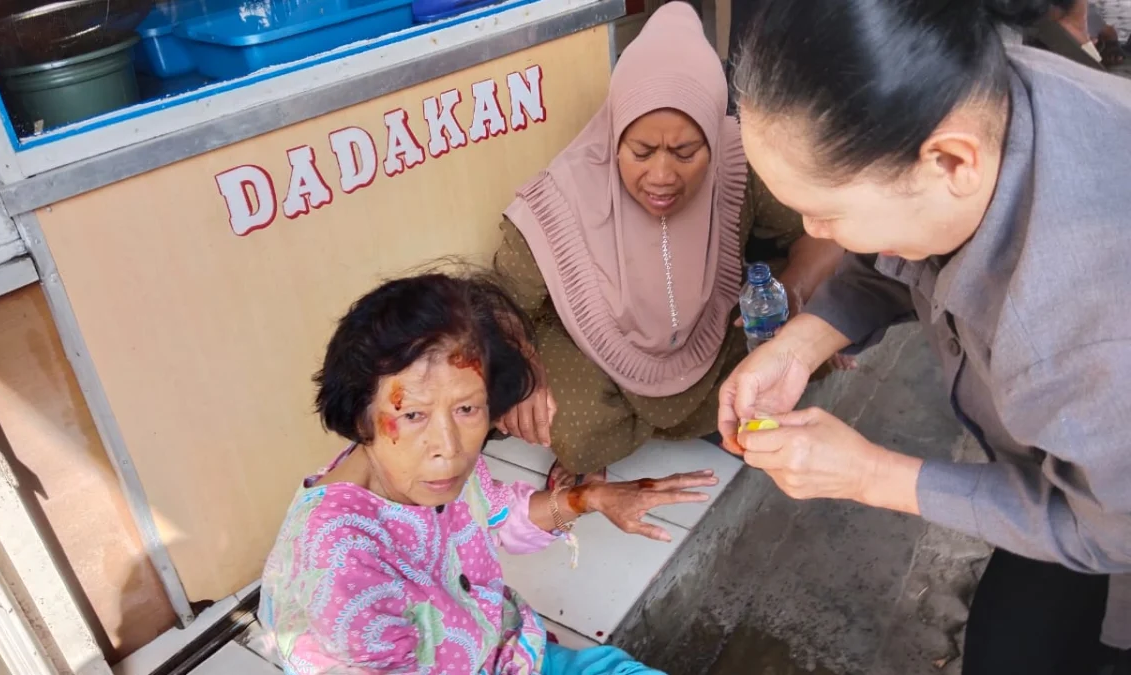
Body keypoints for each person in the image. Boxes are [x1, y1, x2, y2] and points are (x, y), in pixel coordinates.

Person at [719, 0, 1131, 672]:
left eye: (824, 212)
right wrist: (800, 343)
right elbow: (905, 247)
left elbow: (1108, 527)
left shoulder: (1077, 326)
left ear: (949, 159)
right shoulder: (983, 94)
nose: (812, 234)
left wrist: (868, 474)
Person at [259, 272, 717, 673]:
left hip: (502, 647)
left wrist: (591, 499)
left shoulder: (424, 474)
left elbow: (499, 516)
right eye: (414, 415)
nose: (449, 448)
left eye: (466, 408)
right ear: (359, 415)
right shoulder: (341, 561)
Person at [492, 2, 845, 489]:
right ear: (614, 135)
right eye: (640, 152)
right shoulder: (559, 199)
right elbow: (499, 306)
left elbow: (822, 231)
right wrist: (525, 370)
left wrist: (792, 292)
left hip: (712, 331)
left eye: (685, 153)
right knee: (576, 432)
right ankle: (677, 418)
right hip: (598, 357)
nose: (660, 177)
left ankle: (666, 419)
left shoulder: (737, 159)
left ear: (713, 142)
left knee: (809, 350)